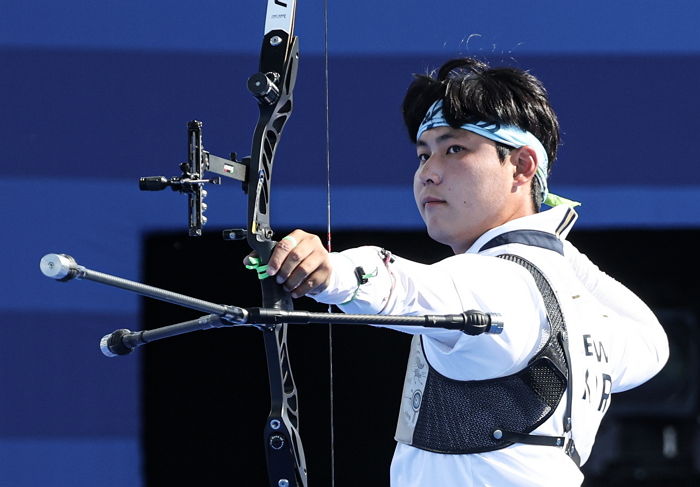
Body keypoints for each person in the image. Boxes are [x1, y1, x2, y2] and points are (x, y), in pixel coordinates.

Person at [250, 58, 669, 486]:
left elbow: (403, 286)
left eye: (455, 149)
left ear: (522, 167)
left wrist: (331, 271)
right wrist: (554, 240)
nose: (428, 174)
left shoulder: (497, 282)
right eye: (422, 154)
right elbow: (655, 346)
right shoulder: (582, 308)